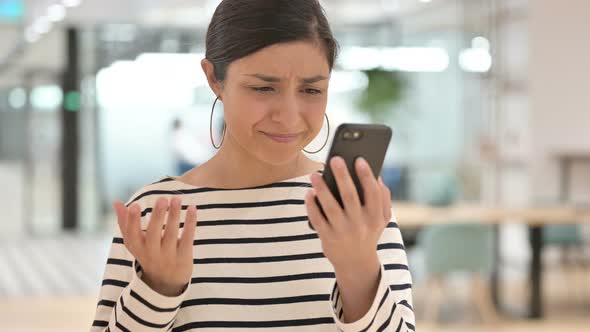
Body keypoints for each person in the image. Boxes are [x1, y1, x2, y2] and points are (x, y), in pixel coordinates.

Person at [91, 1, 415, 331]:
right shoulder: (156, 214)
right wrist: (158, 290)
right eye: (263, 88)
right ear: (215, 78)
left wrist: (358, 271)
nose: (288, 116)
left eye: (312, 89)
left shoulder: (357, 212)